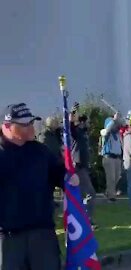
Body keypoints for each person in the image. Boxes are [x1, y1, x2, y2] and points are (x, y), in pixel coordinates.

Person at [0, 103, 79, 270]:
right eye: (24, 124)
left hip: (42, 233)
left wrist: (68, 178)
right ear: (7, 126)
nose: (31, 127)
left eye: (32, 122)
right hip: (9, 238)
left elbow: (57, 172)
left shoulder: (40, 151)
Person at [71, 112, 97, 227]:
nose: (88, 124)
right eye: (87, 122)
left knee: (81, 195)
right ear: (82, 122)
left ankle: (81, 220)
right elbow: (70, 128)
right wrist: (72, 115)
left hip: (84, 167)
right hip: (78, 167)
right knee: (90, 193)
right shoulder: (77, 132)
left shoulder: (84, 133)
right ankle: (86, 220)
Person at [100, 113, 124, 202]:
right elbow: (107, 129)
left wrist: (120, 120)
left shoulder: (118, 134)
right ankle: (111, 196)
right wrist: (113, 120)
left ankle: (108, 192)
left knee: (117, 177)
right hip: (109, 157)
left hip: (117, 158)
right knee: (111, 178)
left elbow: (122, 124)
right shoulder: (106, 133)